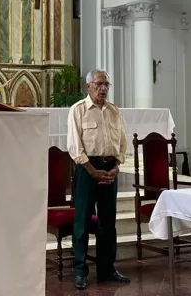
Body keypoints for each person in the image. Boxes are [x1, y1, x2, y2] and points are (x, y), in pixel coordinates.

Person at [66, 69, 131, 290]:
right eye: (99, 84)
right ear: (89, 86)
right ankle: (80, 271)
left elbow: (122, 141)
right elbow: (75, 145)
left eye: (106, 85)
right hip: (86, 169)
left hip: (109, 167)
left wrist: (116, 166)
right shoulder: (78, 110)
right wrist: (92, 171)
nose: (103, 88)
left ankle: (106, 269)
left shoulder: (114, 111)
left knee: (107, 222)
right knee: (82, 221)